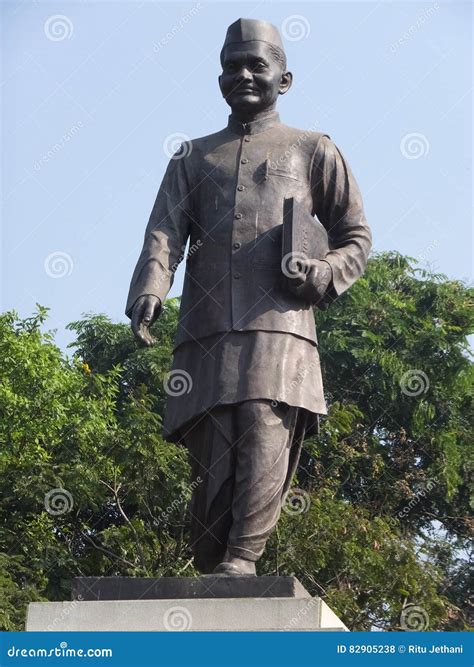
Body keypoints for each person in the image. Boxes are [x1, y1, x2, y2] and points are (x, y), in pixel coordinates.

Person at [126, 18, 372, 575]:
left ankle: (244, 557)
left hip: (279, 324)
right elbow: (164, 233)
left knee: (264, 426)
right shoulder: (192, 156)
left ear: (284, 78)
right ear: (219, 78)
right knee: (213, 446)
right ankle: (214, 558)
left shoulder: (312, 149)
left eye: (257, 64)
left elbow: (355, 236)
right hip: (206, 325)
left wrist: (324, 272)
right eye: (232, 65)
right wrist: (150, 285)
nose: (243, 75)